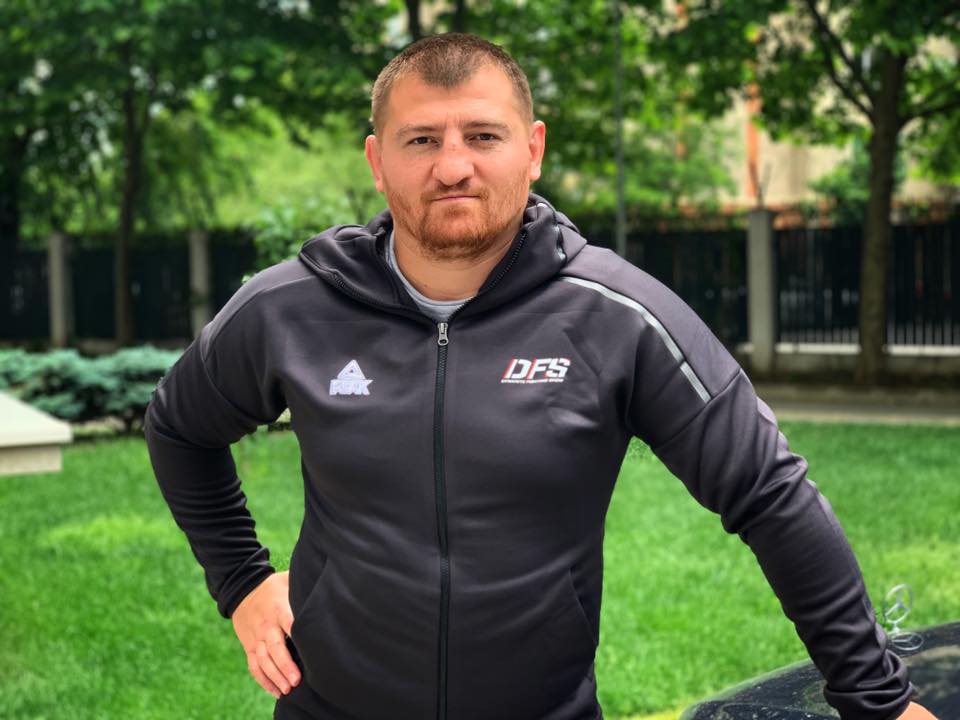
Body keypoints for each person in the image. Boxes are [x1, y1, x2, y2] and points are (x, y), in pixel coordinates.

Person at [143, 33, 935, 720]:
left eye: (483, 135)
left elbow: (769, 493)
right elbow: (178, 427)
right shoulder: (291, 308)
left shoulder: (617, 316)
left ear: (533, 149)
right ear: (378, 161)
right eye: (421, 140)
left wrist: (879, 701)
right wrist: (243, 582)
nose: (453, 165)